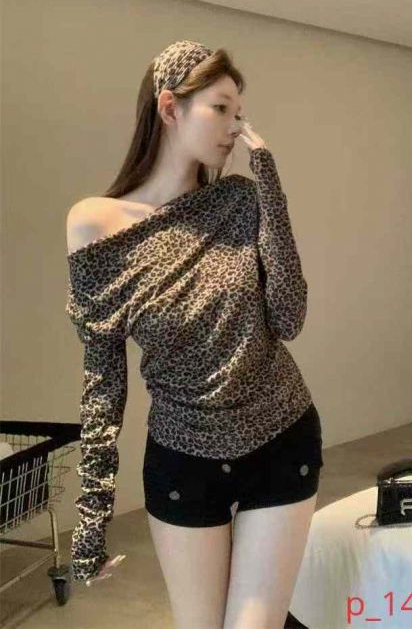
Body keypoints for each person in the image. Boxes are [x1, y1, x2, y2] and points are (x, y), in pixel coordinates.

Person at [65, 39, 324, 628]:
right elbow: (103, 380)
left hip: (280, 436)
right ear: (169, 107)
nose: (237, 127)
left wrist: (269, 186)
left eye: (240, 112)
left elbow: (289, 317)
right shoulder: (94, 225)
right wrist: (92, 518)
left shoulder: (240, 200)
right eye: (221, 108)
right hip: (183, 457)